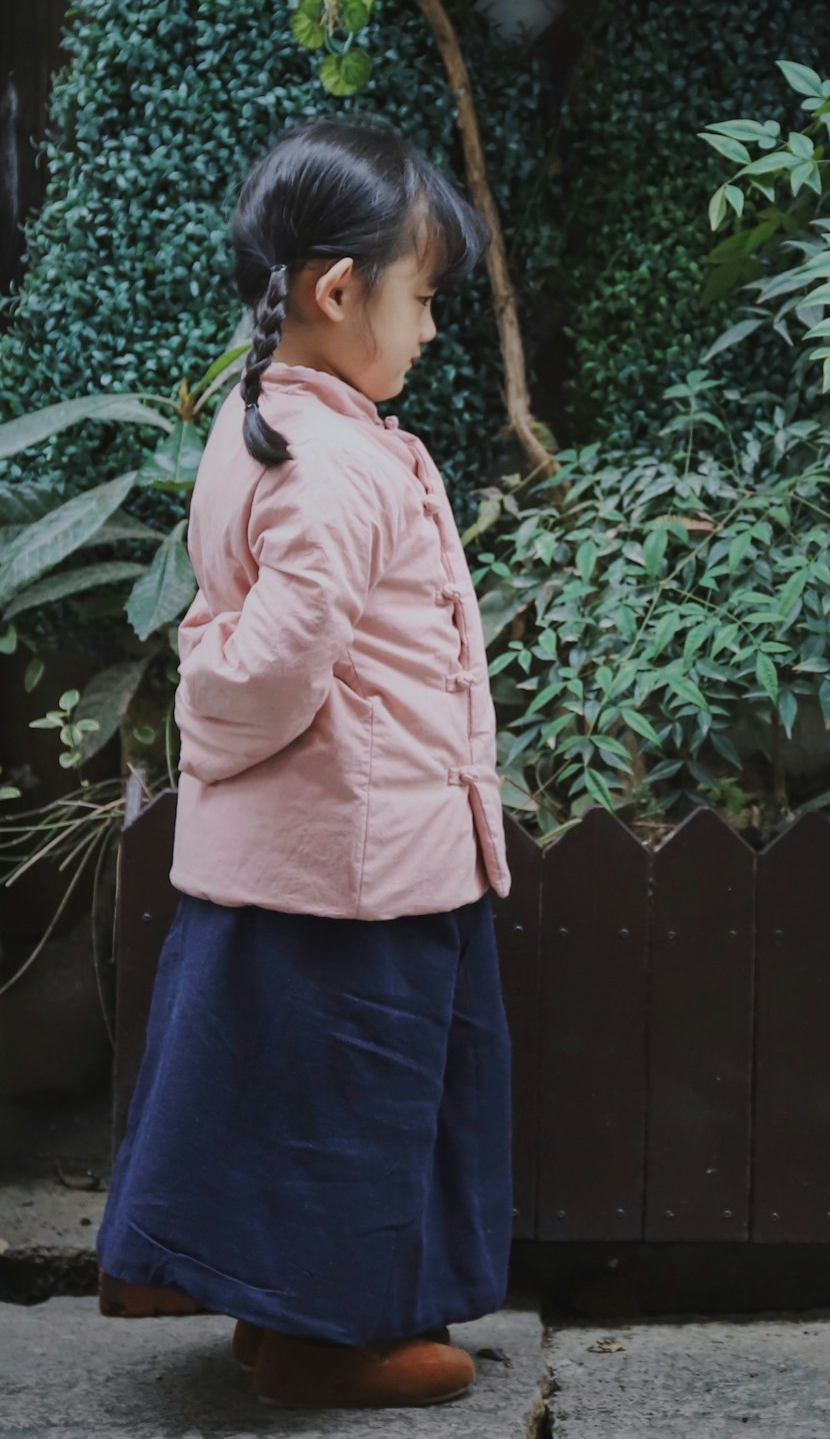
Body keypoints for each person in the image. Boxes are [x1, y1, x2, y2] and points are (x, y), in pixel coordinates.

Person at [96, 114, 514, 1410]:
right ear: (341, 291)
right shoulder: (327, 457)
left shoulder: (276, 422)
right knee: (356, 1093)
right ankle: (333, 1334)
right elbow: (267, 663)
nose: (433, 329)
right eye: (426, 296)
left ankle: (280, 1311)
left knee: (282, 1078)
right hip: (359, 857)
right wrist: (207, 678)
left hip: (331, 848)